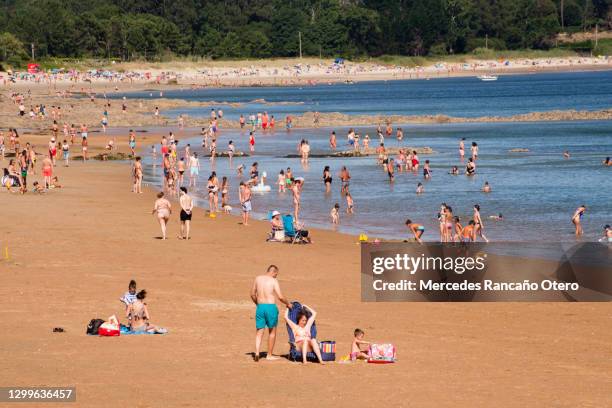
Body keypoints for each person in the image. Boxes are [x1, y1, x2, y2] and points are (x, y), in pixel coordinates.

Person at [250, 265, 292, 362]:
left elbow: (252, 294)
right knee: (272, 332)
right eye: (276, 274)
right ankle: (269, 355)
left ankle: (257, 352)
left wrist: (257, 304)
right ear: (273, 272)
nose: (276, 276)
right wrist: (288, 303)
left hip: (260, 307)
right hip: (270, 307)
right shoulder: (273, 281)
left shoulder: (257, 278)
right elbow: (280, 297)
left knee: (259, 332)